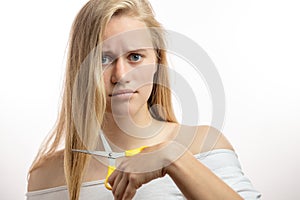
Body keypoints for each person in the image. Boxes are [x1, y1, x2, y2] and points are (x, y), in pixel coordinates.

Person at [26, 0, 261, 199]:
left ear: (157, 62)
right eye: (103, 59)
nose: (120, 75)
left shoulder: (204, 146)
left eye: (135, 57)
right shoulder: (46, 177)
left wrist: (174, 158)